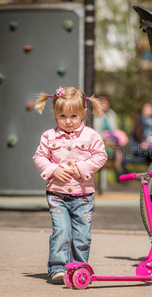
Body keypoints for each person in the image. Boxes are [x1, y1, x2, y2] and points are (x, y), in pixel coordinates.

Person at [33, 86, 107, 282]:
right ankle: (57, 266)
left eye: (73, 116)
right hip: (57, 195)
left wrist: (82, 168)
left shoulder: (90, 136)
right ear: (55, 114)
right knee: (62, 231)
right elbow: (39, 157)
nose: (68, 121)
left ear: (83, 113)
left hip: (83, 196)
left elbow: (101, 156)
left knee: (82, 235)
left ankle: (79, 267)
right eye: (62, 116)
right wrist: (52, 170)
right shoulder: (49, 136)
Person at [122, 102, 152, 172]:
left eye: (148, 109)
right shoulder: (139, 119)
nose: (146, 110)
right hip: (138, 146)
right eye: (145, 109)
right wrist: (144, 142)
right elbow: (137, 134)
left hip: (151, 147)